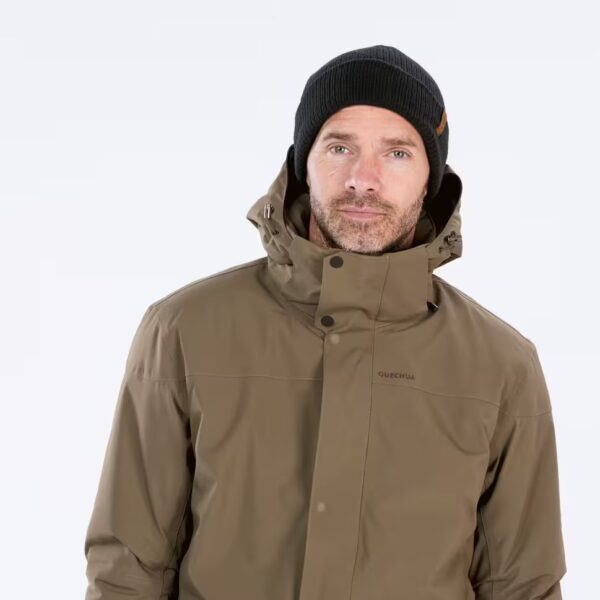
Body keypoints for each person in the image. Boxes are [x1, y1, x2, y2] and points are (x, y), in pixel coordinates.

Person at [84, 44, 567, 599]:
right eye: (340, 147)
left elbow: (524, 586)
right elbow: (128, 569)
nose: (363, 179)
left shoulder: (500, 365)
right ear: (302, 164)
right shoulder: (184, 331)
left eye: (397, 153)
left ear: (431, 177)